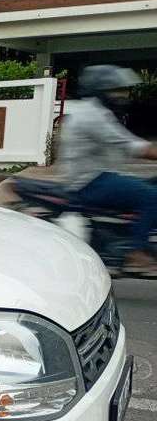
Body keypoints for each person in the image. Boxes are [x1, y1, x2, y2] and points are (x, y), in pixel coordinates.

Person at [59, 64, 157, 276]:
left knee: (151, 184)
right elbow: (131, 146)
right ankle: (136, 252)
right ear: (100, 91)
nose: (121, 96)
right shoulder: (93, 115)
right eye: (115, 91)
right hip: (91, 183)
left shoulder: (96, 112)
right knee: (153, 197)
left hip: (101, 176)